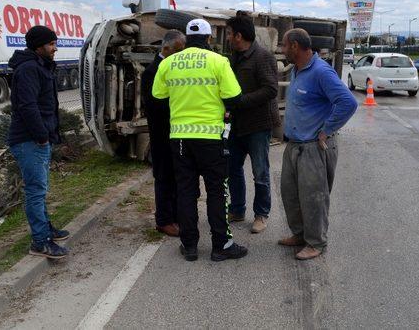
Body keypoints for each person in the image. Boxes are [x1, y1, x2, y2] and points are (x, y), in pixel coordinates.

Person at [152, 19, 248, 262]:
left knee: (185, 191)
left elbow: (158, 96)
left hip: (180, 138)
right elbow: (234, 97)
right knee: (217, 191)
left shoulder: (170, 63)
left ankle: (190, 245)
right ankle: (221, 246)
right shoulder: (219, 61)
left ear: (186, 38)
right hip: (210, 138)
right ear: (209, 38)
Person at [278, 28, 358, 260]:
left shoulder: (322, 71)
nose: (283, 51)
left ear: (294, 46)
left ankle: (316, 242)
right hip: (294, 145)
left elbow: (348, 103)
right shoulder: (297, 69)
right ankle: (300, 234)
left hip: (314, 147)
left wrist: (327, 130)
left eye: (284, 46)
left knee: (314, 198)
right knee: (290, 194)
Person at [8, 25, 69, 259]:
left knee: (39, 190)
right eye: (51, 44)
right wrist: (42, 136)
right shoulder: (28, 69)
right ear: (39, 46)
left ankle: (45, 229)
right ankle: (40, 242)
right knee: (35, 191)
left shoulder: (39, 66)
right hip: (29, 140)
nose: (55, 48)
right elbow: (27, 106)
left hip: (38, 138)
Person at [225, 13, 279, 234]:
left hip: (258, 125)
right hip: (236, 124)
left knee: (260, 172)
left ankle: (261, 214)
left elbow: (271, 89)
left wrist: (240, 101)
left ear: (238, 36)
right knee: (232, 168)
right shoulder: (232, 57)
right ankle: (237, 209)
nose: (227, 37)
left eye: (229, 33)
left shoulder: (263, 57)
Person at [141, 29, 186, 237]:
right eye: (177, 50)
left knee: (177, 175)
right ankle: (164, 220)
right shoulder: (153, 71)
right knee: (164, 176)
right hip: (161, 133)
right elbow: (155, 105)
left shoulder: (173, 66)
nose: (180, 54)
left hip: (176, 131)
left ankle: (176, 215)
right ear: (166, 49)